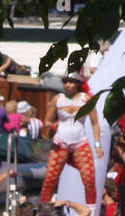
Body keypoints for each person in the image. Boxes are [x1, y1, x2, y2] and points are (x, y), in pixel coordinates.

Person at [39, 73, 103, 206]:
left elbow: (95, 123)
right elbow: (47, 120)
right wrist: (50, 126)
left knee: (89, 178)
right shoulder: (58, 99)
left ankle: (90, 214)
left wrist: (97, 145)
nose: (67, 85)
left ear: (78, 83)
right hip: (60, 142)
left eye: (71, 82)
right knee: (50, 179)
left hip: (80, 142)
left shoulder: (86, 99)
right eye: (65, 82)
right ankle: (44, 209)